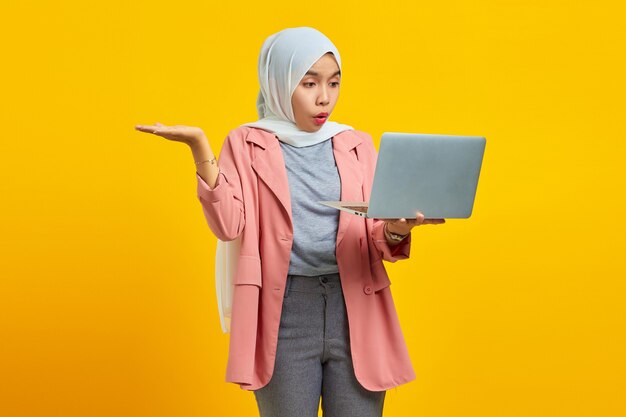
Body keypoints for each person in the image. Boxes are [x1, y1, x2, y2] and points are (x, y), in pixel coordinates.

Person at [135, 26, 444, 417]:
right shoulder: (247, 142)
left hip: (357, 308)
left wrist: (400, 227)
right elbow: (229, 226)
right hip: (283, 313)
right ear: (279, 82)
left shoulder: (356, 143)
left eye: (333, 83)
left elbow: (377, 237)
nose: (324, 98)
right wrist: (200, 148)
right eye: (309, 83)